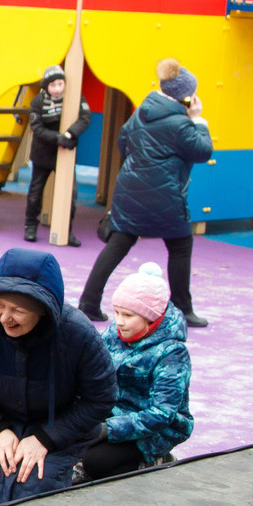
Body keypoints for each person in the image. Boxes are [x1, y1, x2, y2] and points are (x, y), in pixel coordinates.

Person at [0, 247, 117, 505]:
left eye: (18, 311)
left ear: (44, 309)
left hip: (59, 423)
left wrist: (47, 438)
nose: (5, 317)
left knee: (34, 489)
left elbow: (101, 398)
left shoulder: (78, 334)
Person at [80, 61, 214, 329]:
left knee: (119, 243)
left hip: (130, 190)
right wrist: (198, 120)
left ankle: (89, 303)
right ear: (186, 96)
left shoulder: (142, 112)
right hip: (165, 194)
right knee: (180, 245)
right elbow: (202, 151)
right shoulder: (181, 123)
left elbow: (123, 142)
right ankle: (183, 309)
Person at [83, 265, 192, 481]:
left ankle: (156, 460)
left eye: (128, 315)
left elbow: (163, 413)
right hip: (114, 412)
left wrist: (107, 429)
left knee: (96, 463)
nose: (119, 321)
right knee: (67, 437)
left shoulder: (172, 352)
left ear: (150, 317)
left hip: (157, 428)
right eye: (116, 312)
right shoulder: (116, 332)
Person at [22, 66, 94, 242]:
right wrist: (57, 138)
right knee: (35, 192)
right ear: (46, 87)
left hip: (65, 154)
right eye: (52, 85)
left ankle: (66, 230)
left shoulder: (74, 98)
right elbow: (37, 128)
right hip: (43, 153)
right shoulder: (38, 102)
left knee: (71, 193)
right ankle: (30, 226)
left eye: (60, 84)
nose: (57, 89)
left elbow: (85, 117)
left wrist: (70, 134)